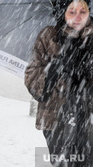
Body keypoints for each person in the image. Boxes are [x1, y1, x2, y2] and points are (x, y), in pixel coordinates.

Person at [24, 0, 93, 166]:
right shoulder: (48, 36)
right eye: (72, 11)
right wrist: (51, 72)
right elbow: (31, 76)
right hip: (55, 120)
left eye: (82, 12)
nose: (78, 17)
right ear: (63, 11)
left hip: (89, 118)